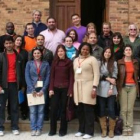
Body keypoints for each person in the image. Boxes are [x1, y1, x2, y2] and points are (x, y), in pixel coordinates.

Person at [73, 42, 100, 139]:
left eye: (87, 49)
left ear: (90, 51)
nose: (85, 51)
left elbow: (97, 74)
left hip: (88, 86)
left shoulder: (92, 59)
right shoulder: (76, 60)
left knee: (88, 110)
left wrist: (94, 87)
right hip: (77, 86)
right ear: (80, 49)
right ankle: (81, 130)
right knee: (80, 110)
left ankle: (89, 132)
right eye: (83, 49)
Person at [0, 36, 25, 136]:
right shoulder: (1, 56)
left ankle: (15, 127)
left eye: (10, 43)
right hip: (3, 85)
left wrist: (22, 86)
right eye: (6, 43)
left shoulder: (19, 56)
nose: (9, 45)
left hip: (15, 85)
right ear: (4, 45)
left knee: (14, 107)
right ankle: (1, 128)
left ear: (13, 43)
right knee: (1, 107)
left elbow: (22, 72)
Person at [48, 45, 74, 137]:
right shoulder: (54, 62)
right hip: (55, 88)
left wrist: (70, 90)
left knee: (63, 110)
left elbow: (71, 77)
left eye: (62, 51)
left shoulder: (69, 62)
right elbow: (52, 77)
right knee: (53, 110)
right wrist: (50, 89)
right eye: (58, 51)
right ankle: (52, 130)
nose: (60, 53)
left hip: (65, 89)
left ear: (65, 52)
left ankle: (63, 130)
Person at [25, 47, 50, 136]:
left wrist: (43, 90)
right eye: (35, 53)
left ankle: (39, 128)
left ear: (41, 54)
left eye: (38, 53)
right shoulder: (29, 63)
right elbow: (27, 77)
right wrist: (32, 89)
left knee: (40, 110)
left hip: (42, 90)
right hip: (31, 90)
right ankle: (33, 128)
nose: (36, 55)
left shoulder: (46, 64)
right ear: (32, 55)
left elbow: (48, 77)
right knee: (32, 111)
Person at [117, 44, 139, 136]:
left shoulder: (135, 62)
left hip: (133, 87)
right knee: (123, 109)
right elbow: (117, 75)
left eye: (130, 50)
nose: (128, 51)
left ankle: (129, 127)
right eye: (126, 50)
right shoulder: (119, 62)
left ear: (132, 52)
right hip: (123, 87)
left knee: (130, 109)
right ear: (124, 52)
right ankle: (124, 127)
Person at [97, 47, 118, 138]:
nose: (107, 53)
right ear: (103, 52)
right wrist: (107, 78)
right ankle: (104, 130)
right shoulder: (99, 62)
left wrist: (111, 88)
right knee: (101, 109)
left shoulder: (114, 63)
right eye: (106, 52)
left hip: (111, 89)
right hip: (101, 88)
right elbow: (98, 75)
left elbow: (114, 76)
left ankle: (111, 130)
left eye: (109, 52)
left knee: (111, 109)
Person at [14, 35, 28, 120]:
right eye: (17, 40)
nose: (19, 42)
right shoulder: (9, 51)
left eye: (20, 40)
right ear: (14, 41)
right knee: (12, 97)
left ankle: (24, 113)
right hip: (12, 77)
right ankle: (11, 113)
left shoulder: (25, 52)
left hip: (22, 76)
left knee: (22, 95)